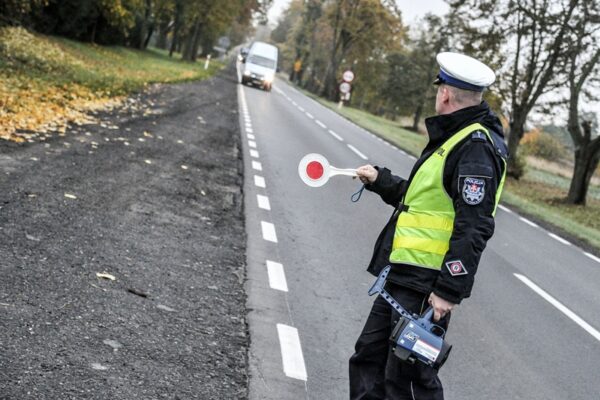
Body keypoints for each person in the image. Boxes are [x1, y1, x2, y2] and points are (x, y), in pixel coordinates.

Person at [349, 52, 508, 400]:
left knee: (407, 378)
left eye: (439, 89)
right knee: (369, 359)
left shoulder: (475, 148)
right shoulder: (454, 138)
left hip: (426, 284)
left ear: (446, 94)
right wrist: (380, 181)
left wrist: (449, 289)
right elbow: (424, 200)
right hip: (404, 274)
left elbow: (475, 225)